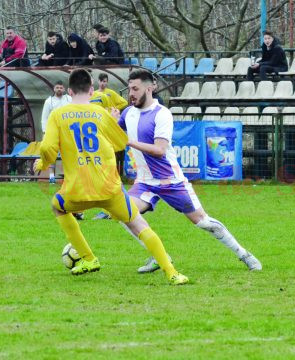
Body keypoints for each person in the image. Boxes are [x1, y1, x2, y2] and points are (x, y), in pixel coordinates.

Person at [33, 68, 188, 285]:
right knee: (138, 224)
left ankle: (88, 258)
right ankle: (172, 273)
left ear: (69, 91)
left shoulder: (58, 115)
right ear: (92, 90)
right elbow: (119, 143)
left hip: (77, 192)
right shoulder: (101, 114)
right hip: (110, 190)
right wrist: (113, 121)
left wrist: (42, 163)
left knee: (57, 206)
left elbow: (49, 147)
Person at [108, 69, 262, 273]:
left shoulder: (161, 114)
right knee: (123, 213)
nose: (131, 94)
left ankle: (244, 254)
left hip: (170, 181)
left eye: (135, 89)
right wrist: (110, 121)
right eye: (129, 89)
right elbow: (112, 135)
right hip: (145, 182)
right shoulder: (128, 113)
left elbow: (159, 150)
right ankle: (159, 255)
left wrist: (128, 141)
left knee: (203, 222)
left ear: (150, 88)